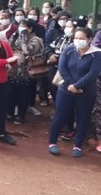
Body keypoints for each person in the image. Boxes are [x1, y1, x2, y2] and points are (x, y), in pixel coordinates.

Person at [48, 28, 101, 157]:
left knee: (83, 118)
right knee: (60, 115)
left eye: (82, 38)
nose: (78, 41)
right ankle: (52, 142)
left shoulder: (97, 54)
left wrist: (78, 85)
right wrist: (72, 84)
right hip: (66, 89)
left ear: (89, 39)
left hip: (86, 92)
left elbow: (93, 73)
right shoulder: (68, 50)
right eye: (76, 38)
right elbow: (62, 68)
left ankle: (77, 145)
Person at [6, 19, 44, 125]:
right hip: (13, 69)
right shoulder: (16, 36)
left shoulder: (36, 40)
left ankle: (20, 116)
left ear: (30, 28)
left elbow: (28, 51)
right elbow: (9, 47)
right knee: (10, 92)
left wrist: (23, 37)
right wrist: (15, 36)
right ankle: (10, 112)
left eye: (24, 26)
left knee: (23, 94)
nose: (21, 28)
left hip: (26, 71)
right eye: (20, 26)